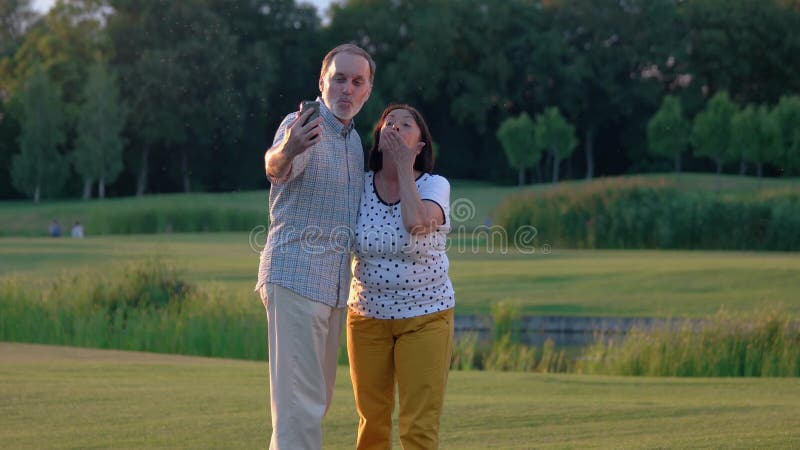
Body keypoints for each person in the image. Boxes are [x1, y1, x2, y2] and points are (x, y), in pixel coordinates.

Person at [254, 43, 375, 450]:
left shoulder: (354, 142)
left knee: (311, 404)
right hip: (295, 277)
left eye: (357, 81)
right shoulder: (303, 124)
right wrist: (288, 149)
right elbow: (277, 166)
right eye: (339, 78)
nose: (347, 88)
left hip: (334, 289)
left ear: (367, 91)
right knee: (299, 410)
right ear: (321, 82)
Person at [347, 104, 455, 450]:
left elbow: (416, 223)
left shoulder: (435, 185)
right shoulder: (357, 186)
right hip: (365, 317)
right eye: (388, 123)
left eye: (405, 125)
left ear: (420, 145)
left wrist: (405, 168)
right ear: (377, 139)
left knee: (418, 427)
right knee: (372, 424)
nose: (394, 127)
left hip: (425, 317)